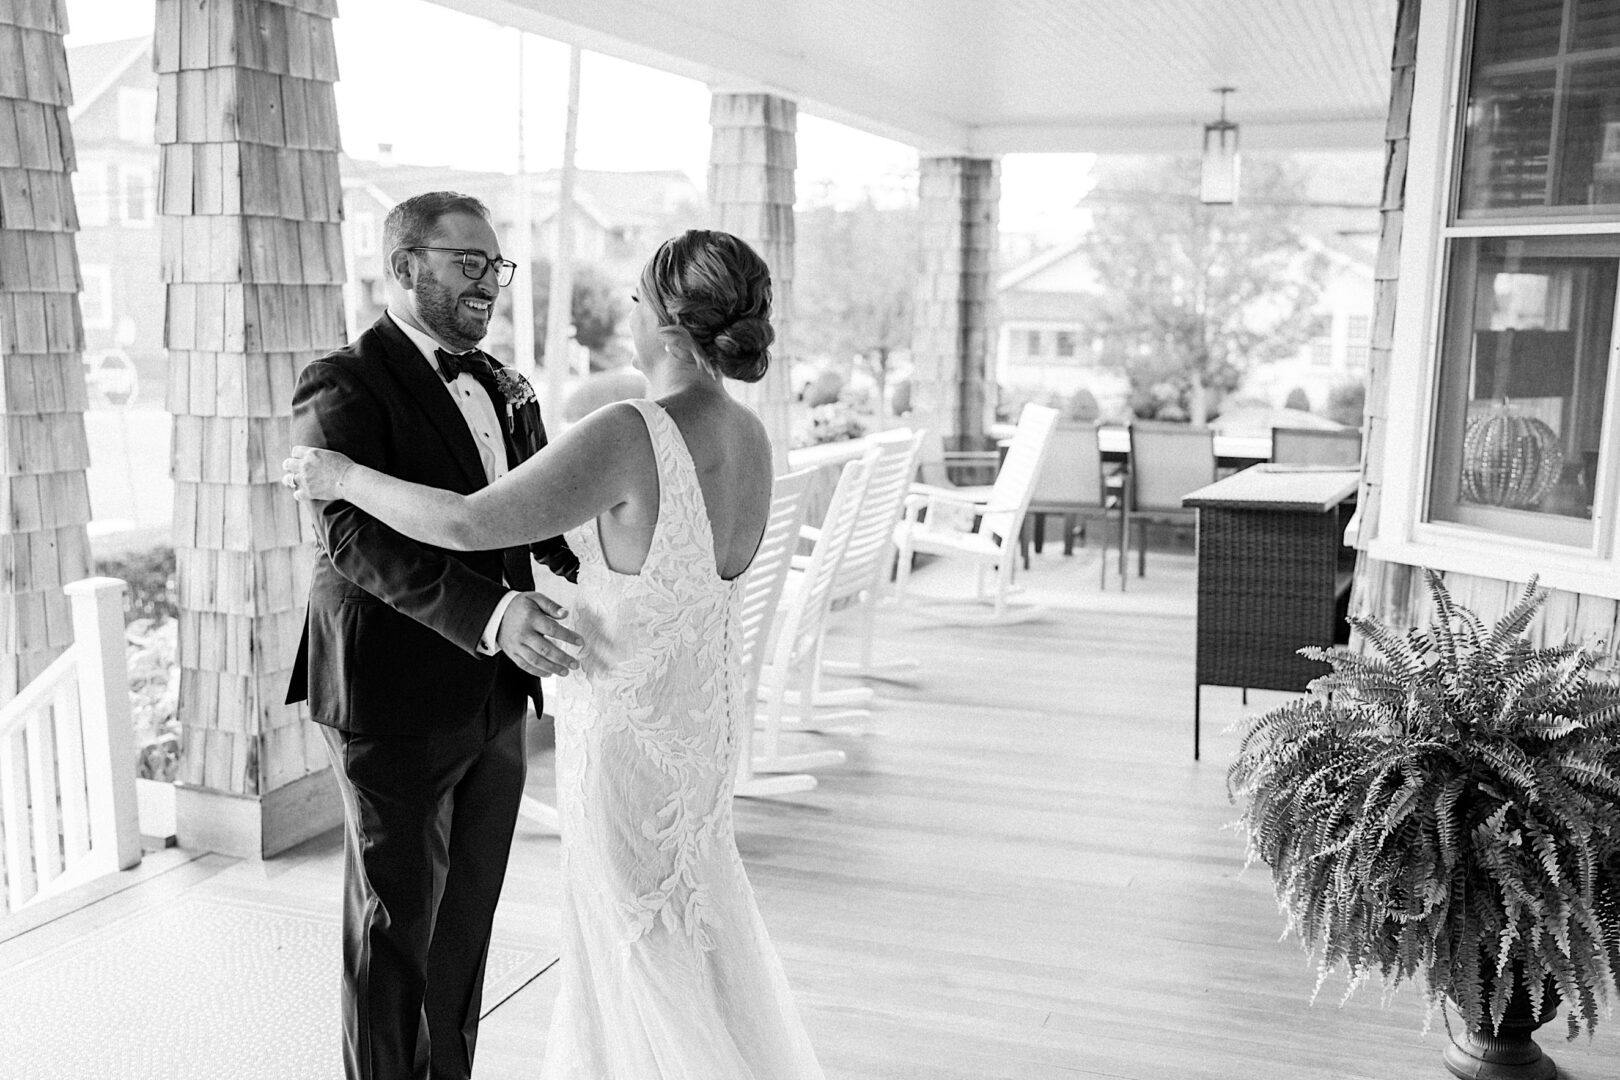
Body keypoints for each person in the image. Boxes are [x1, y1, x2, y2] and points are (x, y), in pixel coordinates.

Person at [284, 229, 825, 1078]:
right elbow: (645, 567)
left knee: (631, 944)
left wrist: (343, 478)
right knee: (685, 932)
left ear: (669, 322)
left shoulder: (627, 430)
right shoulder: (750, 438)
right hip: (695, 732)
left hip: (626, 740)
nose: (632, 319)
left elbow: (471, 523)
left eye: (639, 304)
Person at [286, 191, 584, 1080]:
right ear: (405, 265)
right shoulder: (342, 380)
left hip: (497, 694)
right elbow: (354, 539)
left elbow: (530, 515)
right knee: (395, 925)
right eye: (468, 262)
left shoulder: (500, 382)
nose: (488, 281)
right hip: (393, 690)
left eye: (496, 265)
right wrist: (492, 615)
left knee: (466, 924)